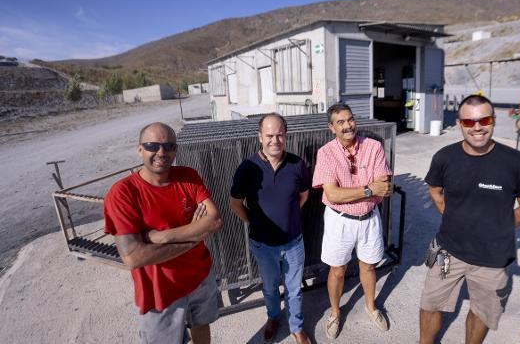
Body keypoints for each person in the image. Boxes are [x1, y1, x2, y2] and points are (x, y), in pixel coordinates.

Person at [419, 95, 520, 344]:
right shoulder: (445, 157)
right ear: (459, 124)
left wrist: (497, 228)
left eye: (484, 120)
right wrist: (452, 216)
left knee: (482, 312)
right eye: (469, 122)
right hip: (447, 253)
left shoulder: (516, 162)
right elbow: (434, 189)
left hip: (492, 260)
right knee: (431, 303)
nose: (477, 127)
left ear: (493, 121)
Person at [103, 122, 223, 344]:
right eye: (153, 145)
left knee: (201, 324)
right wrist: (195, 235)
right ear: (140, 149)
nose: (161, 152)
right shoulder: (123, 193)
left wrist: (161, 236)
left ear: (176, 150)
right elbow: (133, 257)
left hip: (200, 276)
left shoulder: (188, 176)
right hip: (160, 292)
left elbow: (214, 220)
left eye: (169, 146)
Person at [312, 102, 393, 339]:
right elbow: (333, 194)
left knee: (368, 266)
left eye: (350, 119)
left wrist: (365, 190)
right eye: (340, 122)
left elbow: (385, 187)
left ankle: (371, 306)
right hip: (340, 221)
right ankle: (335, 313)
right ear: (332, 128)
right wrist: (368, 189)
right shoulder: (326, 153)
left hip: (369, 218)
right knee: (337, 270)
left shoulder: (374, 147)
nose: (348, 126)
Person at [229, 113, 311, 344]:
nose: (275, 140)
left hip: (294, 242)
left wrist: (290, 214)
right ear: (259, 137)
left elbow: (304, 195)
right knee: (270, 287)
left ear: (286, 136)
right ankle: (273, 318)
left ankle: (296, 327)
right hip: (263, 245)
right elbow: (235, 204)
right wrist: (254, 222)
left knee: (294, 289)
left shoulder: (297, 164)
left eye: (280, 135)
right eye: (269, 135)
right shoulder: (247, 168)